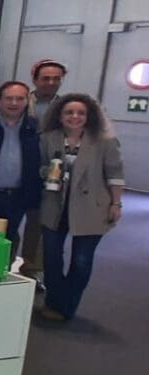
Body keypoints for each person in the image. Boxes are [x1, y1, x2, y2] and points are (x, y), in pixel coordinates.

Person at [36, 94, 122, 321]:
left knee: (81, 261)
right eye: (69, 112)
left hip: (92, 207)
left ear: (89, 116)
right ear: (59, 116)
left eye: (80, 113)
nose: (75, 117)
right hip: (55, 205)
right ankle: (53, 301)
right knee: (51, 258)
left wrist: (116, 203)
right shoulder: (47, 138)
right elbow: (40, 166)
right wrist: (48, 173)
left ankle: (66, 306)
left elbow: (115, 174)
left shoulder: (104, 140)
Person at [0, 81, 41, 259]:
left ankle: (0, 274)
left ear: (27, 101)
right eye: (9, 98)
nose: (14, 103)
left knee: (5, 246)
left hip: (16, 197)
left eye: (19, 99)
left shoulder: (37, 129)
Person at [21, 59, 67, 283]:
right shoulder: (20, 101)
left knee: (39, 225)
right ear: (35, 79)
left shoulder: (66, 107)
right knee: (7, 222)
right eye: (45, 78)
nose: (51, 82)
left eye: (56, 79)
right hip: (18, 170)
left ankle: (31, 270)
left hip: (50, 173)